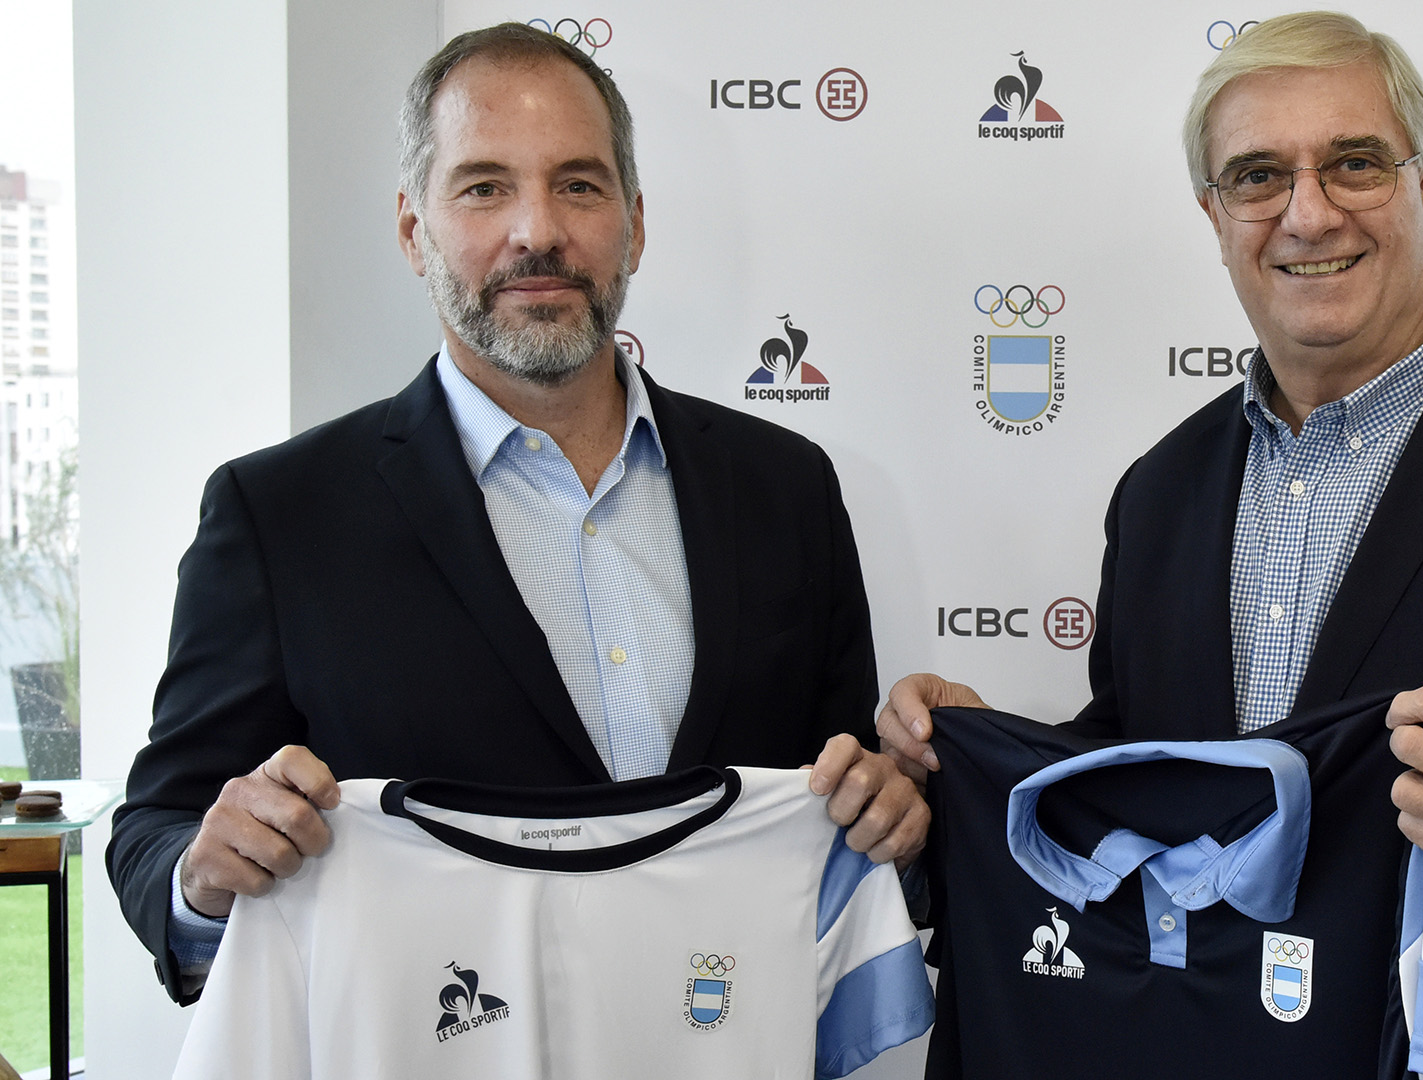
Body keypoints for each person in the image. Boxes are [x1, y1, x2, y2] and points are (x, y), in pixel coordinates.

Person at [879, 12, 1423, 1078]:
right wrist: (977, 780)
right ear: (1215, 214)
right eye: (1258, 177)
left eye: (1354, 163)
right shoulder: (1161, 492)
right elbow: (1147, 774)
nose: (1308, 214)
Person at [107, 23, 926, 1006]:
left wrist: (895, 811)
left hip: (727, 1042)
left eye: (578, 185)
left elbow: (846, 805)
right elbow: (157, 831)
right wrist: (201, 878)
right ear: (414, 230)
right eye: (484, 187)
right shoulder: (279, 514)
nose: (537, 230)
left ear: (634, 223)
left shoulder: (786, 487)